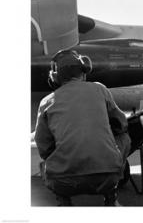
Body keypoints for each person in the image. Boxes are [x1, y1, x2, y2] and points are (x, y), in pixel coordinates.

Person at [34, 50, 131, 206]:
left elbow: (43, 146)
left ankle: (64, 202)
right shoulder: (100, 89)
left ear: (55, 77)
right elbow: (122, 124)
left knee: (44, 163)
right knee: (124, 137)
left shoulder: (46, 101)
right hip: (107, 178)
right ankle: (111, 196)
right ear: (83, 72)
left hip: (64, 182)